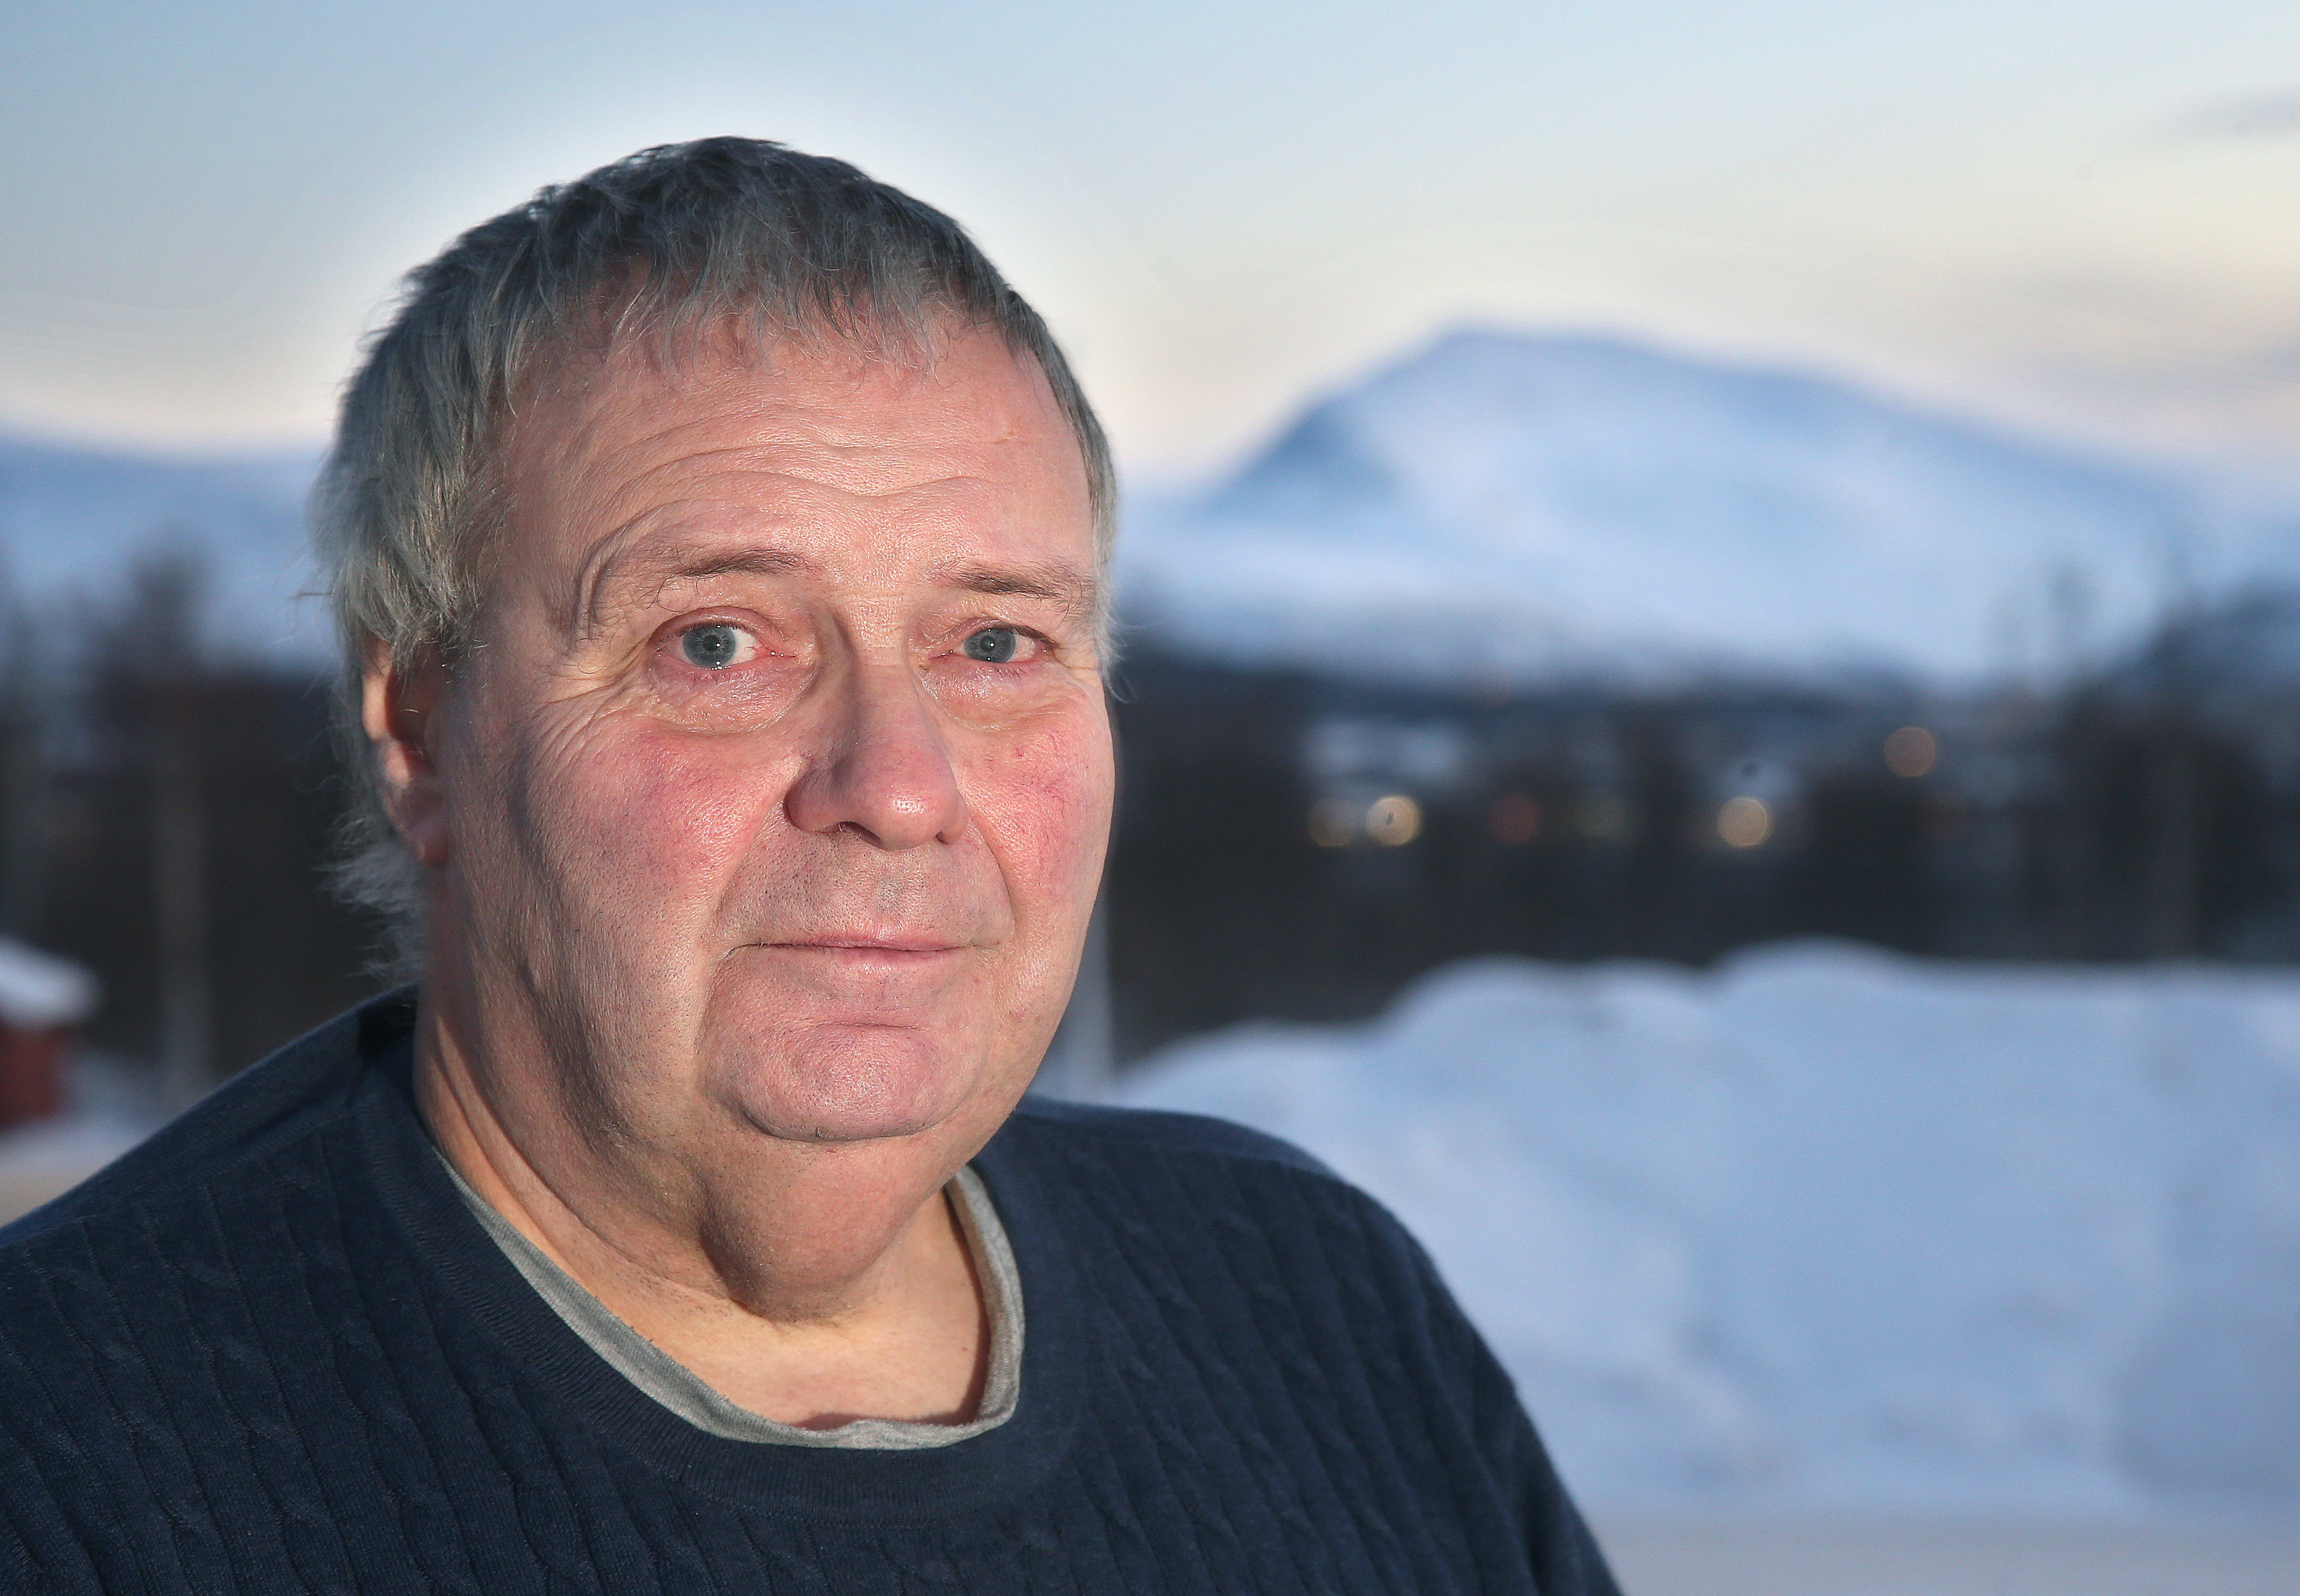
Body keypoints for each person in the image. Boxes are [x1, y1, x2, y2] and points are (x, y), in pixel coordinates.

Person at [0, 138, 1621, 1594]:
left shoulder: (1312, 1305)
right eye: (716, 642)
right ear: (422, 729)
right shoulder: (70, 1455)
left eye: (996, 642)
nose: (900, 788)